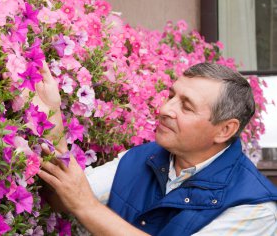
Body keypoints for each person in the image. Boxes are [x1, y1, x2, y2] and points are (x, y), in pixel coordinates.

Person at [36, 62, 277, 235]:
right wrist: (51, 117)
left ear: (224, 130)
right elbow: (64, 197)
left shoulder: (255, 207)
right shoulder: (141, 158)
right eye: (171, 96)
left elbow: (80, 200)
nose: (165, 109)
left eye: (186, 106)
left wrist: (87, 205)